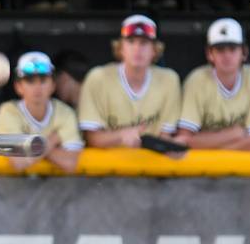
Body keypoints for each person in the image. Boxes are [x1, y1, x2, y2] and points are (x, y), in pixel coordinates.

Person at [78, 15, 181, 148]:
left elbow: (165, 135)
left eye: (144, 43)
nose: (137, 49)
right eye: (131, 41)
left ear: (155, 50)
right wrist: (121, 135)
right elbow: (92, 138)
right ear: (121, 48)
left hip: (151, 163)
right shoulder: (98, 78)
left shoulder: (169, 80)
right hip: (108, 165)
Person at [176, 18, 250, 150]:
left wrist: (208, 143)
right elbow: (185, 139)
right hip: (203, 169)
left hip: (241, 167)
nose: (227, 55)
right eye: (220, 49)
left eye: (233, 49)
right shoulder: (197, 79)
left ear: (244, 53)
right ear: (210, 54)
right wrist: (234, 134)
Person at [0, 51, 83, 173]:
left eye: (43, 80)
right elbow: (18, 163)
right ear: (18, 86)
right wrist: (51, 141)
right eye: (30, 81)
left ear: (53, 85)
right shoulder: (8, 112)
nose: (37, 87)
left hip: (57, 188)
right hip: (12, 188)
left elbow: (70, 163)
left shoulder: (66, 113)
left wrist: (31, 150)